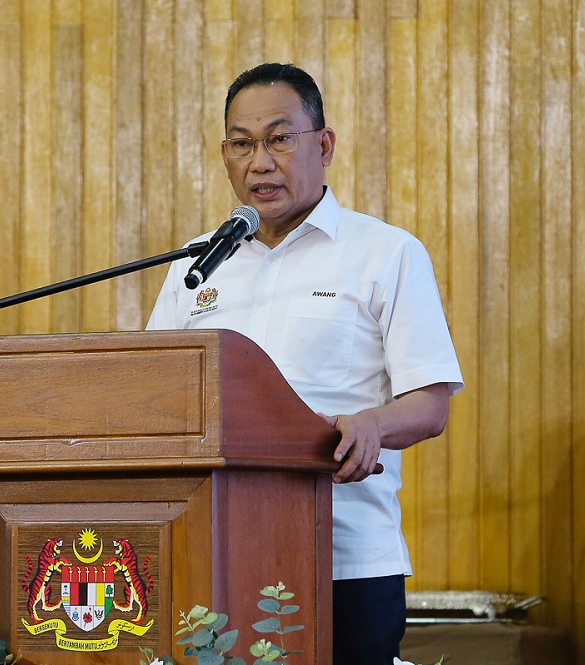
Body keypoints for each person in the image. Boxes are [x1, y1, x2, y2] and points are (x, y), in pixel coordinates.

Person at [145, 62, 464, 665]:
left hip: (344, 554)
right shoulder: (196, 267)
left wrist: (371, 423)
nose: (260, 161)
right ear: (224, 156)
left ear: (325, 144)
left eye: (279, 138)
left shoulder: (385, 253)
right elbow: (153, 393)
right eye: (242, 144)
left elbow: (431, 404)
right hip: (212, 554)